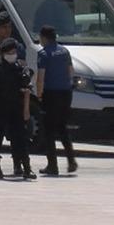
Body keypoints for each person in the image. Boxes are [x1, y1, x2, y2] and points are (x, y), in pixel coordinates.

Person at [0, 38, 35, 180]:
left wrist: (26, 110)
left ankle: (26, 167)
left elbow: (26, 89)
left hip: (15, 108)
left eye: (14, 52)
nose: (12, 55)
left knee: (21, 139)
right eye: (9, 52)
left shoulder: (19, 67)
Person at [35, 25, 77, 176]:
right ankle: (71, 160)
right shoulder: (64, 51)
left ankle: (52, 165)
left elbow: (41, 76)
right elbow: (71, 72)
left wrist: (39, 95)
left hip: (51, 94)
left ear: (44, 38)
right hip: (66, 93)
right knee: (63, 128)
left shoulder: (44, 54)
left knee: (48, 131)